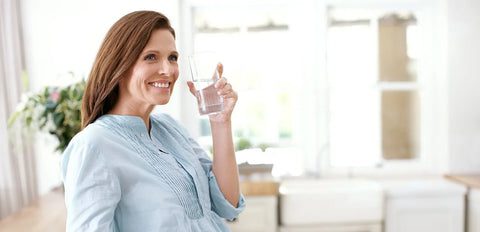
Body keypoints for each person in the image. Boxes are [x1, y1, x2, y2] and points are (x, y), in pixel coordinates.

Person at [61, 10, 245, 231]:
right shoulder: (93, 145)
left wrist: (220, 122)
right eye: (151, 57)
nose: (167, 70)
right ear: (120, 65)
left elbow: (228, 204)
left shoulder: (171, 129)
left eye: (172, 58)